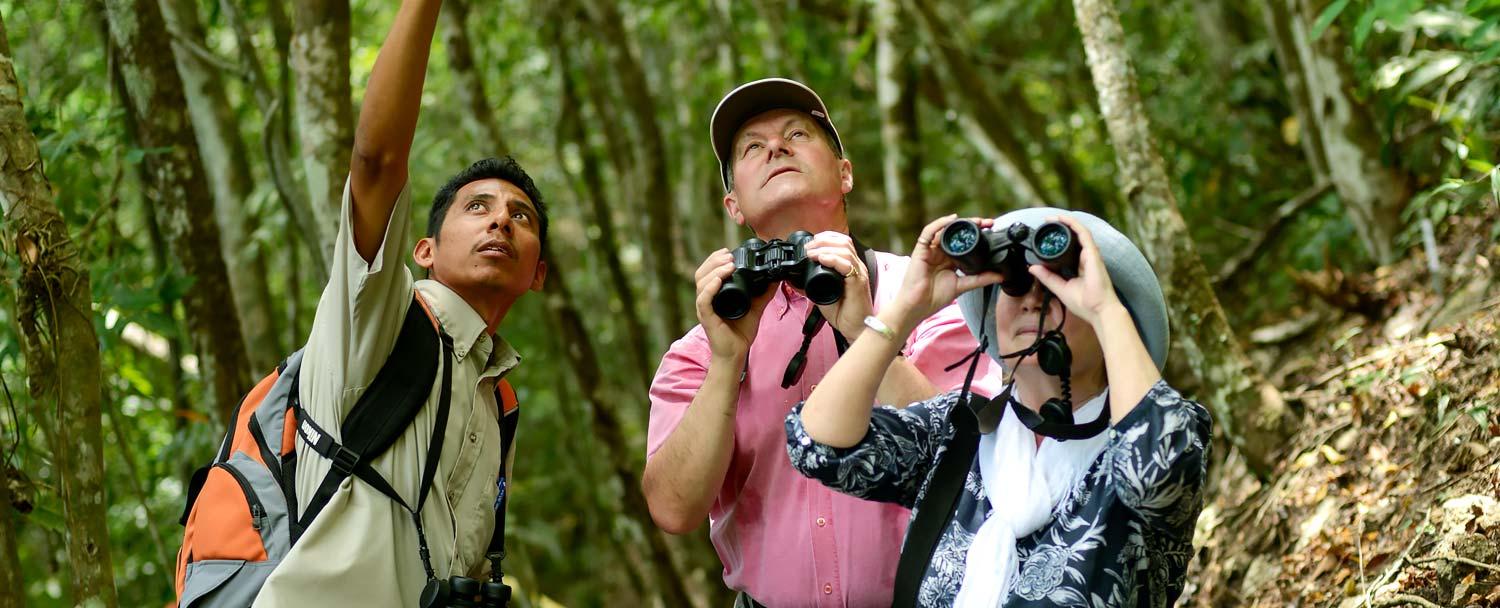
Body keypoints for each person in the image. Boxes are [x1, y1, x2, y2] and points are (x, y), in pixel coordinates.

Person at [642, 78, 1003, 607]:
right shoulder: (700, 348)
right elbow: (673, 510)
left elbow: (980, 462)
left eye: (796, 134)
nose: (776, 149)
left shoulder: (928, 291)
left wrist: (866, 331)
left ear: (845, 173)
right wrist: (726, 363)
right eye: (751, 148)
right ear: (733, 205)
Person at [253, 0, 547, 604]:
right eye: (477, 207)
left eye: (521, 216)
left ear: (538, 274)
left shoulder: (501, 399)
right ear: (422, 251)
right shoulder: (382, 318)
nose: (501, 222)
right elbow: (376, 161)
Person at [786, 209, 1212, 606]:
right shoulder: (959, 432)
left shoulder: (1159, 434)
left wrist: (1106, 308)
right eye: (1013, 284)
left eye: (1059, 285)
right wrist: (904, 309)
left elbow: (1156, 469)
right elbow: (817, 444)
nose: (1031, 300)